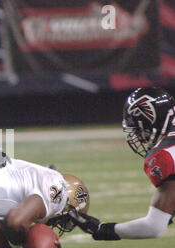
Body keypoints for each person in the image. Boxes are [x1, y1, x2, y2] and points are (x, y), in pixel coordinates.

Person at [70, 87, 175, 240]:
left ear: (151, 119)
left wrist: (103, 229)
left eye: (139, 129)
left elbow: (153, 227)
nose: (139, 135)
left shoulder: (164, 154)